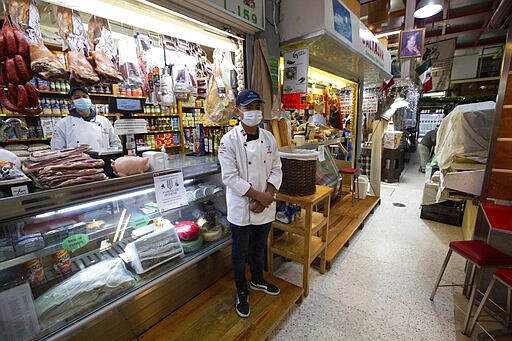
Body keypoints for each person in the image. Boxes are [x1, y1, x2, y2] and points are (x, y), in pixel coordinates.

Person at [218, 89, 283, 318]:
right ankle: (241, 291)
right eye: (248, 108)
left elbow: (277, 168)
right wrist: (258, 196)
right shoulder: (228, 141)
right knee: (239, 252)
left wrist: (268, 195)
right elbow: (230, 177)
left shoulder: (269, 138)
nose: (254, 112)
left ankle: (257, 280)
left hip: (264, 204)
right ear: (238, 111)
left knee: (258, 246)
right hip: (242, 207)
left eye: (257, 107)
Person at [51, 87, 121, 150]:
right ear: (71, 102)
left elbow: (115, 143)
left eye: (85, 96)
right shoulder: (63, 123)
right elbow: (57, 149)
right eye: (77, 97)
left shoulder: (103, 120)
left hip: (103, 160)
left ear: (89, 99)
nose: (82, 99)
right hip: (78, 162)